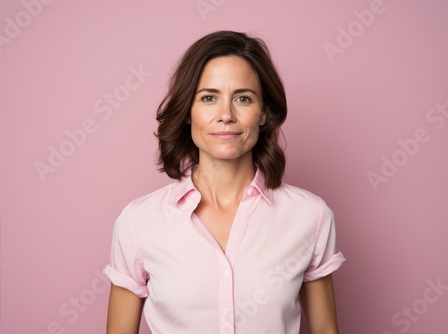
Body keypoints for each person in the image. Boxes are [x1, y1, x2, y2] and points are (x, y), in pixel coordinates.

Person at [103, 30, 345, 334]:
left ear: (263, 114)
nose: (226, 115)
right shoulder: (138, 222)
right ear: (188, 112)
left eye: (243, 98)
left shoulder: (311, 216)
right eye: (209, 98)